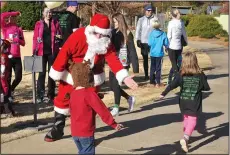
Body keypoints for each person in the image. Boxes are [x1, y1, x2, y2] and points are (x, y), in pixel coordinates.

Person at [44, 13, 138, 142]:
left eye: (102, 34)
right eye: (97, 33)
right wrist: (57, 72)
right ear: (91, 29)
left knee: (90, 104)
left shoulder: (106, 42)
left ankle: (88, 132)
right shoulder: (79, 35)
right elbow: (64, 51)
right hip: (72, 74)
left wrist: (124, 77)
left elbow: (113, 59)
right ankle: (58, 127)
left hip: (92, 78)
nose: (99, 37)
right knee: (63, 100)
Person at [159, 52, 210, 152]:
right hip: (194, 102)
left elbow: (172, 85)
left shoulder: (180, 74)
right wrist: (203, 77)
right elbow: (206, 87)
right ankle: (185, 137)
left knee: (186, 117)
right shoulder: (200, 75)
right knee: (193, 120)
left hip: (183, 101)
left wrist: (163, 93)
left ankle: (185, 137)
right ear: (195, 61)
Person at [69, 60, 123, 154]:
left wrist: (96, 96)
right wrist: (113, 124)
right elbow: (102, 111)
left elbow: (75, 108)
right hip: (86, 132)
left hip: (75, 132)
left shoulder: (73, 94)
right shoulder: (89, 94)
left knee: (82, 151)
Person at [110, 12, 139, 116]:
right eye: (113, 22)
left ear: (120, 21)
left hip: (123, 63)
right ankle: (129, 98)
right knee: (112, 86)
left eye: (115, 22)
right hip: (113, 61)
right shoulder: (112, 32)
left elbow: (132, 51)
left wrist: (135, 69)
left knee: (116, 85)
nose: (114, 24)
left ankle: (116, 107)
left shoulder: (127, 33)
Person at [33, 7, 62, 103]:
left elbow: (60, 35)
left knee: (51, 74)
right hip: (41, 52)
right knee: (41, 74)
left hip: (52, 52)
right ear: (43, 14)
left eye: (50, 12)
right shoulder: (38, 24)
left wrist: (59, 38)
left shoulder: (56, 23)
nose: (49, 14)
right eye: (47, 12)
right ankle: (40, 95)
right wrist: (34, 51)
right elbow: (35, 38)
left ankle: (51, 95)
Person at [0, 11, 25, 103]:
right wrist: (15, 12)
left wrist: (17, 39)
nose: (12, 18)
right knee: (8, 77)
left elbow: (23, 43)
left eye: (14, 17)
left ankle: (12, 89)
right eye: (11, 17)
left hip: (17, 56)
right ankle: (9, 96)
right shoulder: (5, 27)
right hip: (7, 56)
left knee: (19, 77)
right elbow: (1, 16)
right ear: (8, 18)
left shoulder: (19, 29)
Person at [167, 9, 187, 84]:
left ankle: (176, 79)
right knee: (177, 63)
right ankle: (172, 78)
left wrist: (166, 45)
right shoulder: (181, 23)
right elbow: (184, 34)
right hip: (179, 46)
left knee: (174, 64)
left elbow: (169, 36)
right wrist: (186, 42)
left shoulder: (171, 23)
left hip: (172, 46)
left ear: (172, 15)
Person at [148, 17, 169, 88]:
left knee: (152, 68)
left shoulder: (151, 34)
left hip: (152, 53)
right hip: (159, 53)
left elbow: (149, 43)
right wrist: (166, 47)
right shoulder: (163, 34)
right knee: (158, 68)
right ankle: (157, 82)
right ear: (159, 25)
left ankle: (151, 82)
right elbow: (166, 42)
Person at [135, 4, 155, 81]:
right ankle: (146, 75)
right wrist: (138, 39)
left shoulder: (155, 19)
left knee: (153, 58)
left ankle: (152, 74)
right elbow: (138, 30)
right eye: (148, 10)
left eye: (150, 10)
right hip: (144, 42)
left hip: (152, 42)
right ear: (145, 11)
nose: (149, 12)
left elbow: (158, 28)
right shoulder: (141, 20)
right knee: (145, 59)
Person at [0, 39, 15, 116]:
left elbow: (3, 66)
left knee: (4, 91)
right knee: (4, 91)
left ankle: (7, 110)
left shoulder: (3, 56)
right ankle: (7, 110)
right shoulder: (4, 56)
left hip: (3, 75)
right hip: (3, 76)